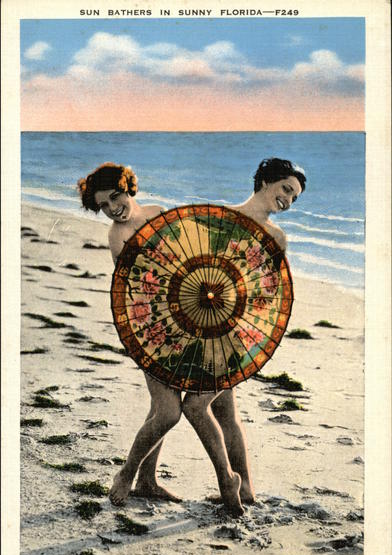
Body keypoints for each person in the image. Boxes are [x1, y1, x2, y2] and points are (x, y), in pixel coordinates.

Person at [77, 158, 306, 516]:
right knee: (177, 409)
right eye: (286, 190)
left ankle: (240, 486)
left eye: (294, 196)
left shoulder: (275, 237)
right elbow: (146, 280)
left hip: (224, 326)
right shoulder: (218, 216)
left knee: (221, 409)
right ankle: (181, 480)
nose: (288, 201)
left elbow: (265, 289)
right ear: (266, 181)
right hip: (171, 321)